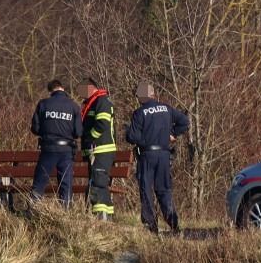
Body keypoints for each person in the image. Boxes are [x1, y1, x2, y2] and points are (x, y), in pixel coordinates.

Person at [125, 82, 189, 234]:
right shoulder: (167, 109)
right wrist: (172, 133)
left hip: (147, 155)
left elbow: (132, 136)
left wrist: (135, 134)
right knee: (164, 190)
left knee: (146, 189)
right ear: (153, 95)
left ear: (142, 97)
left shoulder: (139, 113)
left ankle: (151, 225)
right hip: (164, 155)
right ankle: (173, 223)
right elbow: (185, 122)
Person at [30, 79, 82, 206]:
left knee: (40, 181)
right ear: (62, 88)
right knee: (65, 184)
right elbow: (78, 132)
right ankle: (66, 212)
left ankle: (33, 209)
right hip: (66, 151)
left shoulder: (43, 104)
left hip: (48, 149)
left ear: (50, 91)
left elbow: (35, 128)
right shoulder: (74, 106)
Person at [78, 77, 116, 220]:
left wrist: (89, 139)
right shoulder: (92, 103)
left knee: (98, 184)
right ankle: (104, 217)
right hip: (95, 150)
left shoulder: (102, 102)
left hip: (101, 149)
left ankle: (102, 219)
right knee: (97, 183)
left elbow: (102, 124)